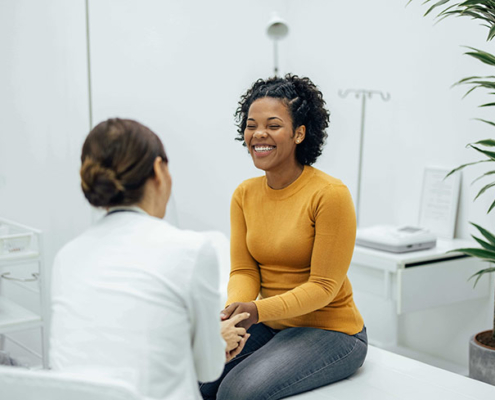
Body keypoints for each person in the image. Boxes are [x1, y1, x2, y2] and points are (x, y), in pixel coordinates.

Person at [49, 118, 250, 400]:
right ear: (159, 170)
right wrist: (219, 341)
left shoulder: (66, 257)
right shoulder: (191, 250)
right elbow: (207, 370)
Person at [200, 75, 367, 400]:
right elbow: (244, 271)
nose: (259, 134)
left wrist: (256, 312)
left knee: (236, 393)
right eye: (252, 125)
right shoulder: (244, 194)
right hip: (274, 324)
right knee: (198, 379)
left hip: (332, 330)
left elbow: (323, 288)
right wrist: (234, 314)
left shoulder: (330, 195)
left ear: (299, 133)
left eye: (273, 125)